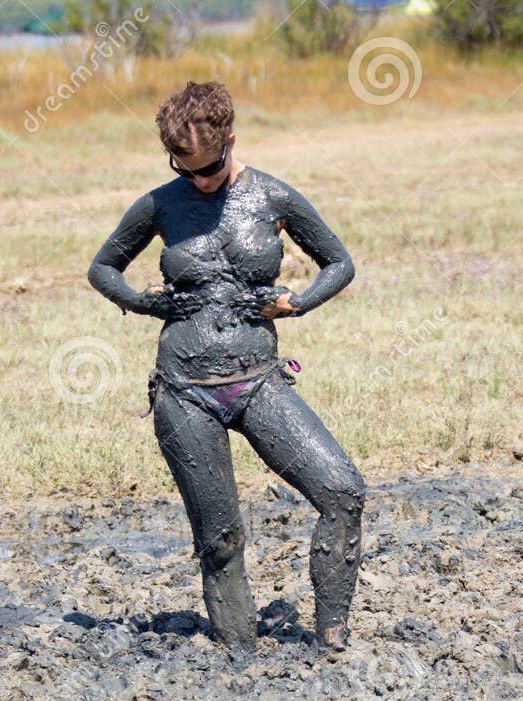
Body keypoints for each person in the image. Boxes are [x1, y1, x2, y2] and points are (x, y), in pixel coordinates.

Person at [88, 80, 364, 656]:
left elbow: (339, 262)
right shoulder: (160, 204)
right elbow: (103, 268)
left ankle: (332, 644)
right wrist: (143, 302)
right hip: (184, 392)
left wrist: (298, 303)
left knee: (342, 491)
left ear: (231, 140)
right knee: (220, 540)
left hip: (259, 381)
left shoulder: (273, 197)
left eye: (209, 168)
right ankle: (239, 657)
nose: (200, 181)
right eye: (184, 169)